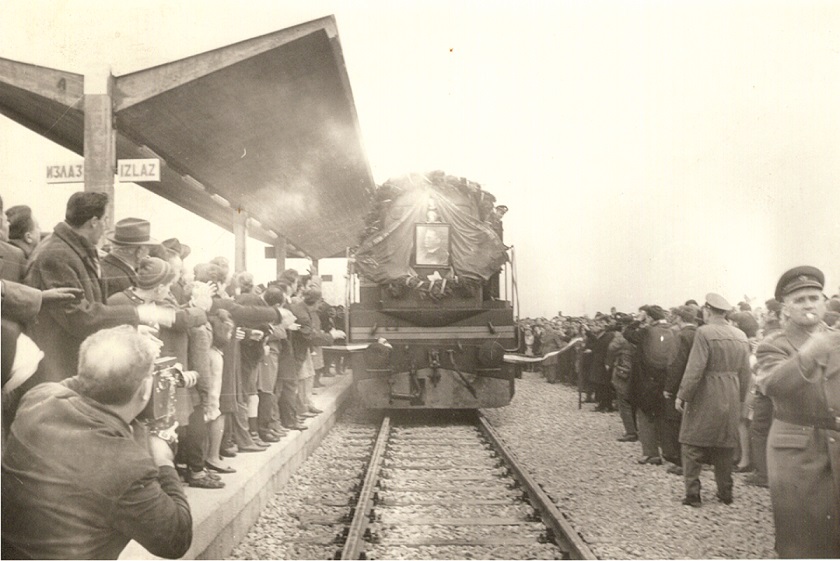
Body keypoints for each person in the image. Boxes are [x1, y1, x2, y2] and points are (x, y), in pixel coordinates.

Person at [1, 326, 192, 559]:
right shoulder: (131, 467)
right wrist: (164, 461)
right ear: (144, 389)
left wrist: (118, 351)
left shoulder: (38, 398)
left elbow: (82, 383)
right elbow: (176, 541)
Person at [24, 192, 172, 386]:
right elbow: (77, 316)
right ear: (93, 221)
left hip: (68, 366)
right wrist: (136, 313)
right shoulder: (57, 254)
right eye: (105, 220)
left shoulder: (69, 249)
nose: (106, 227)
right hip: (59, 371)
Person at [755, 266, 840, 557]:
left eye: (814, 297)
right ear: (786, 309)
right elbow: (771, 384)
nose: (808, 304)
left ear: (825, 303)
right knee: (802, 537)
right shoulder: (772, 345)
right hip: (797, 450)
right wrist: (810, 352)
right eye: (799, 299)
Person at [676, 293, 752, 507]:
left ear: (707, 311)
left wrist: (683, 395)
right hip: (732, 392)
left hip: (706, 393)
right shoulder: (740, 335)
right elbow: (746, 372)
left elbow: (695, 368)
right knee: (725, 444)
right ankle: (725, 493)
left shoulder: (704, 332)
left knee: (692, 443)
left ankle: (693, 495)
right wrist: (741, 399)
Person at [624, 305, 674, 465]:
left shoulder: (647, 331)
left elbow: (628, 334)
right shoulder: (672, 331)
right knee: (663, 416)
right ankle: (668, 452)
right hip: (665, 379)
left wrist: (637, 320)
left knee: (645, 415)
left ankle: (651, 453)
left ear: (650, 318)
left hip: (646, 378)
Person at [661, 305, 698, 475]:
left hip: (680, 385)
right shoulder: (699, 333)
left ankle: (682, 463)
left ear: (679, 318)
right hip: (696, 384)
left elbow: (676, 363)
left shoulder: (681, 336)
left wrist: (669, 387)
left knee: (675, 422)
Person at [101, 217, 160, 299]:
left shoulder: (103, 266)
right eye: (147, 250)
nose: (147, 256)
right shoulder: (122, 281)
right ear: (139, 251)